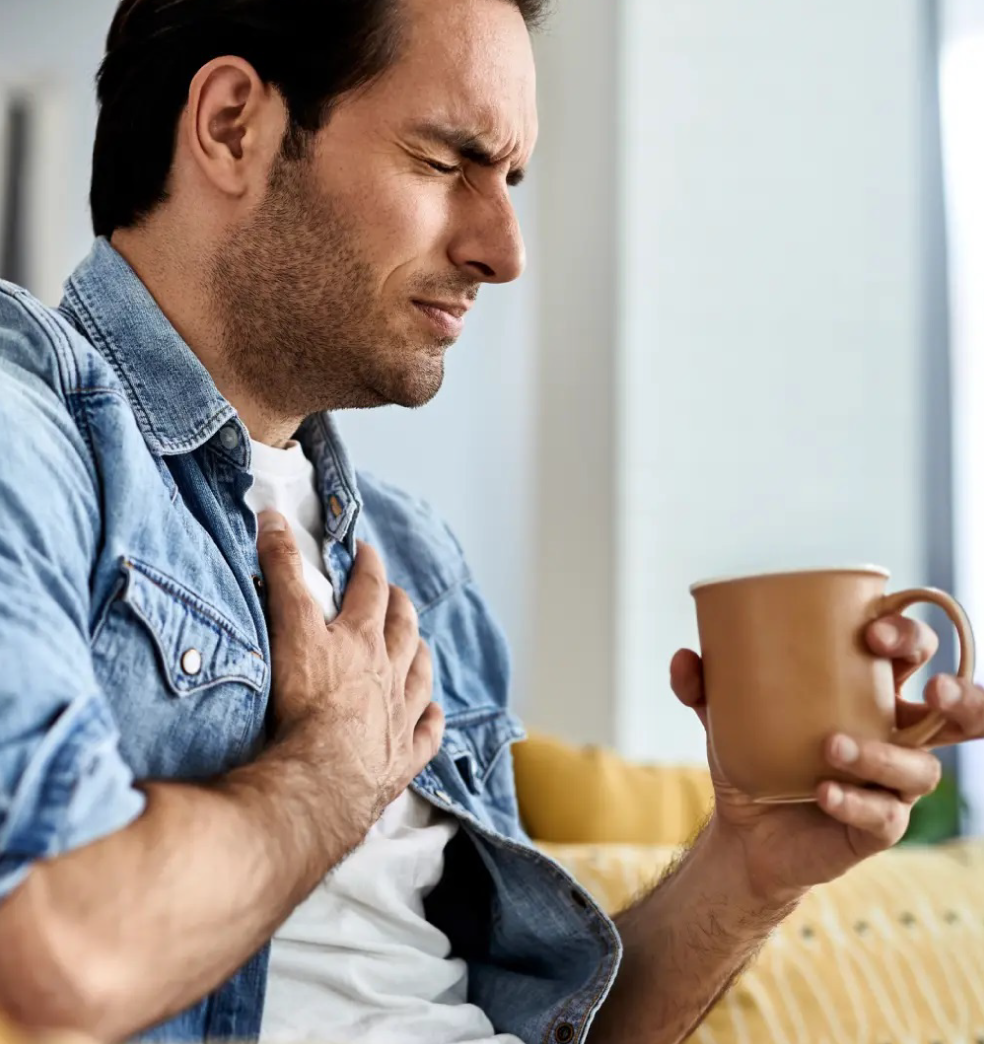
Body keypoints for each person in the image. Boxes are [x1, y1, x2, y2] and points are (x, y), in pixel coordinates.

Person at [0, 1, 979, 1042]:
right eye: (443, 161)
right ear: (235, 124)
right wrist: (328, 780)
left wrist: (749, 865)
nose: (503, 249)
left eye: (510, 180)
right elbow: (46, 959)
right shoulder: (40, 443)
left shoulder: (416, 562)